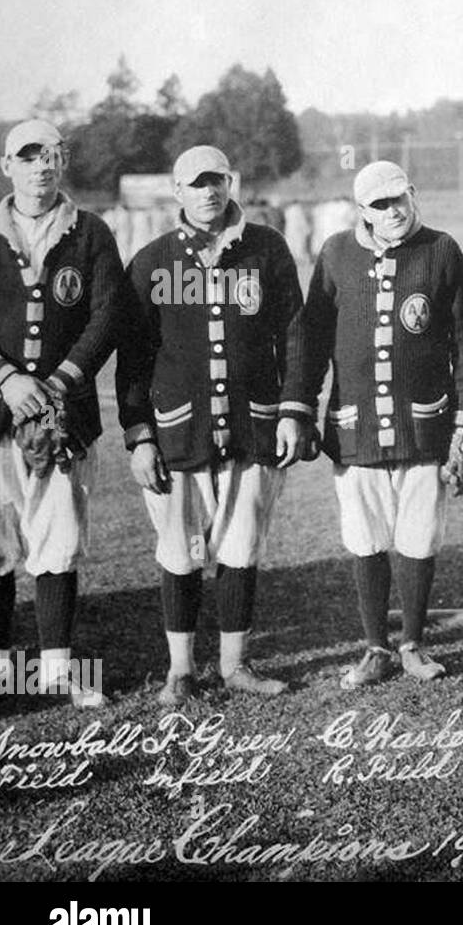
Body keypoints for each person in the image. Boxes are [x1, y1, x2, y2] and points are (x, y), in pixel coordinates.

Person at [118, 145, 311, 705]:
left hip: (253, 425)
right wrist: (139, 435)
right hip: (179, 428)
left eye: (217, 181)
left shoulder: (267, 249)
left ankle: (235, 664)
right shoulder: (154, 260)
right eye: (196, 184)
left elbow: (295, 335)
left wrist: (294, 409)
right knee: (179, 548)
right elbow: (133, 358)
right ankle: (180, 669)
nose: (208, 192)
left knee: (241, 544)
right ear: (176, 192)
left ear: (233, 182)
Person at [303, 161, 463, 688]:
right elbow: (313, 339)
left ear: (413, 193)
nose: (395, 211)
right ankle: (374, 648)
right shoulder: (337, 253)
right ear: (362, 211)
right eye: (380, 205)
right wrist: (301, 406)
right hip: (355, 427)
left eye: (400, 198)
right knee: (364, 538)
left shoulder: (441, 249)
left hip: (425, 425)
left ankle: (412, 643)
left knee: (419, 537)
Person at [0, 119, 125, 707]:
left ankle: (55, 670)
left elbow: (106, 317)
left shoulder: (91, 231)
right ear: (8, 167)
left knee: (57, 536)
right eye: (28, 156)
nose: (41, 165)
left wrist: (55, 384)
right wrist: (7, 379)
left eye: (50, 154)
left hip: (63, 413)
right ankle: (5, 671)